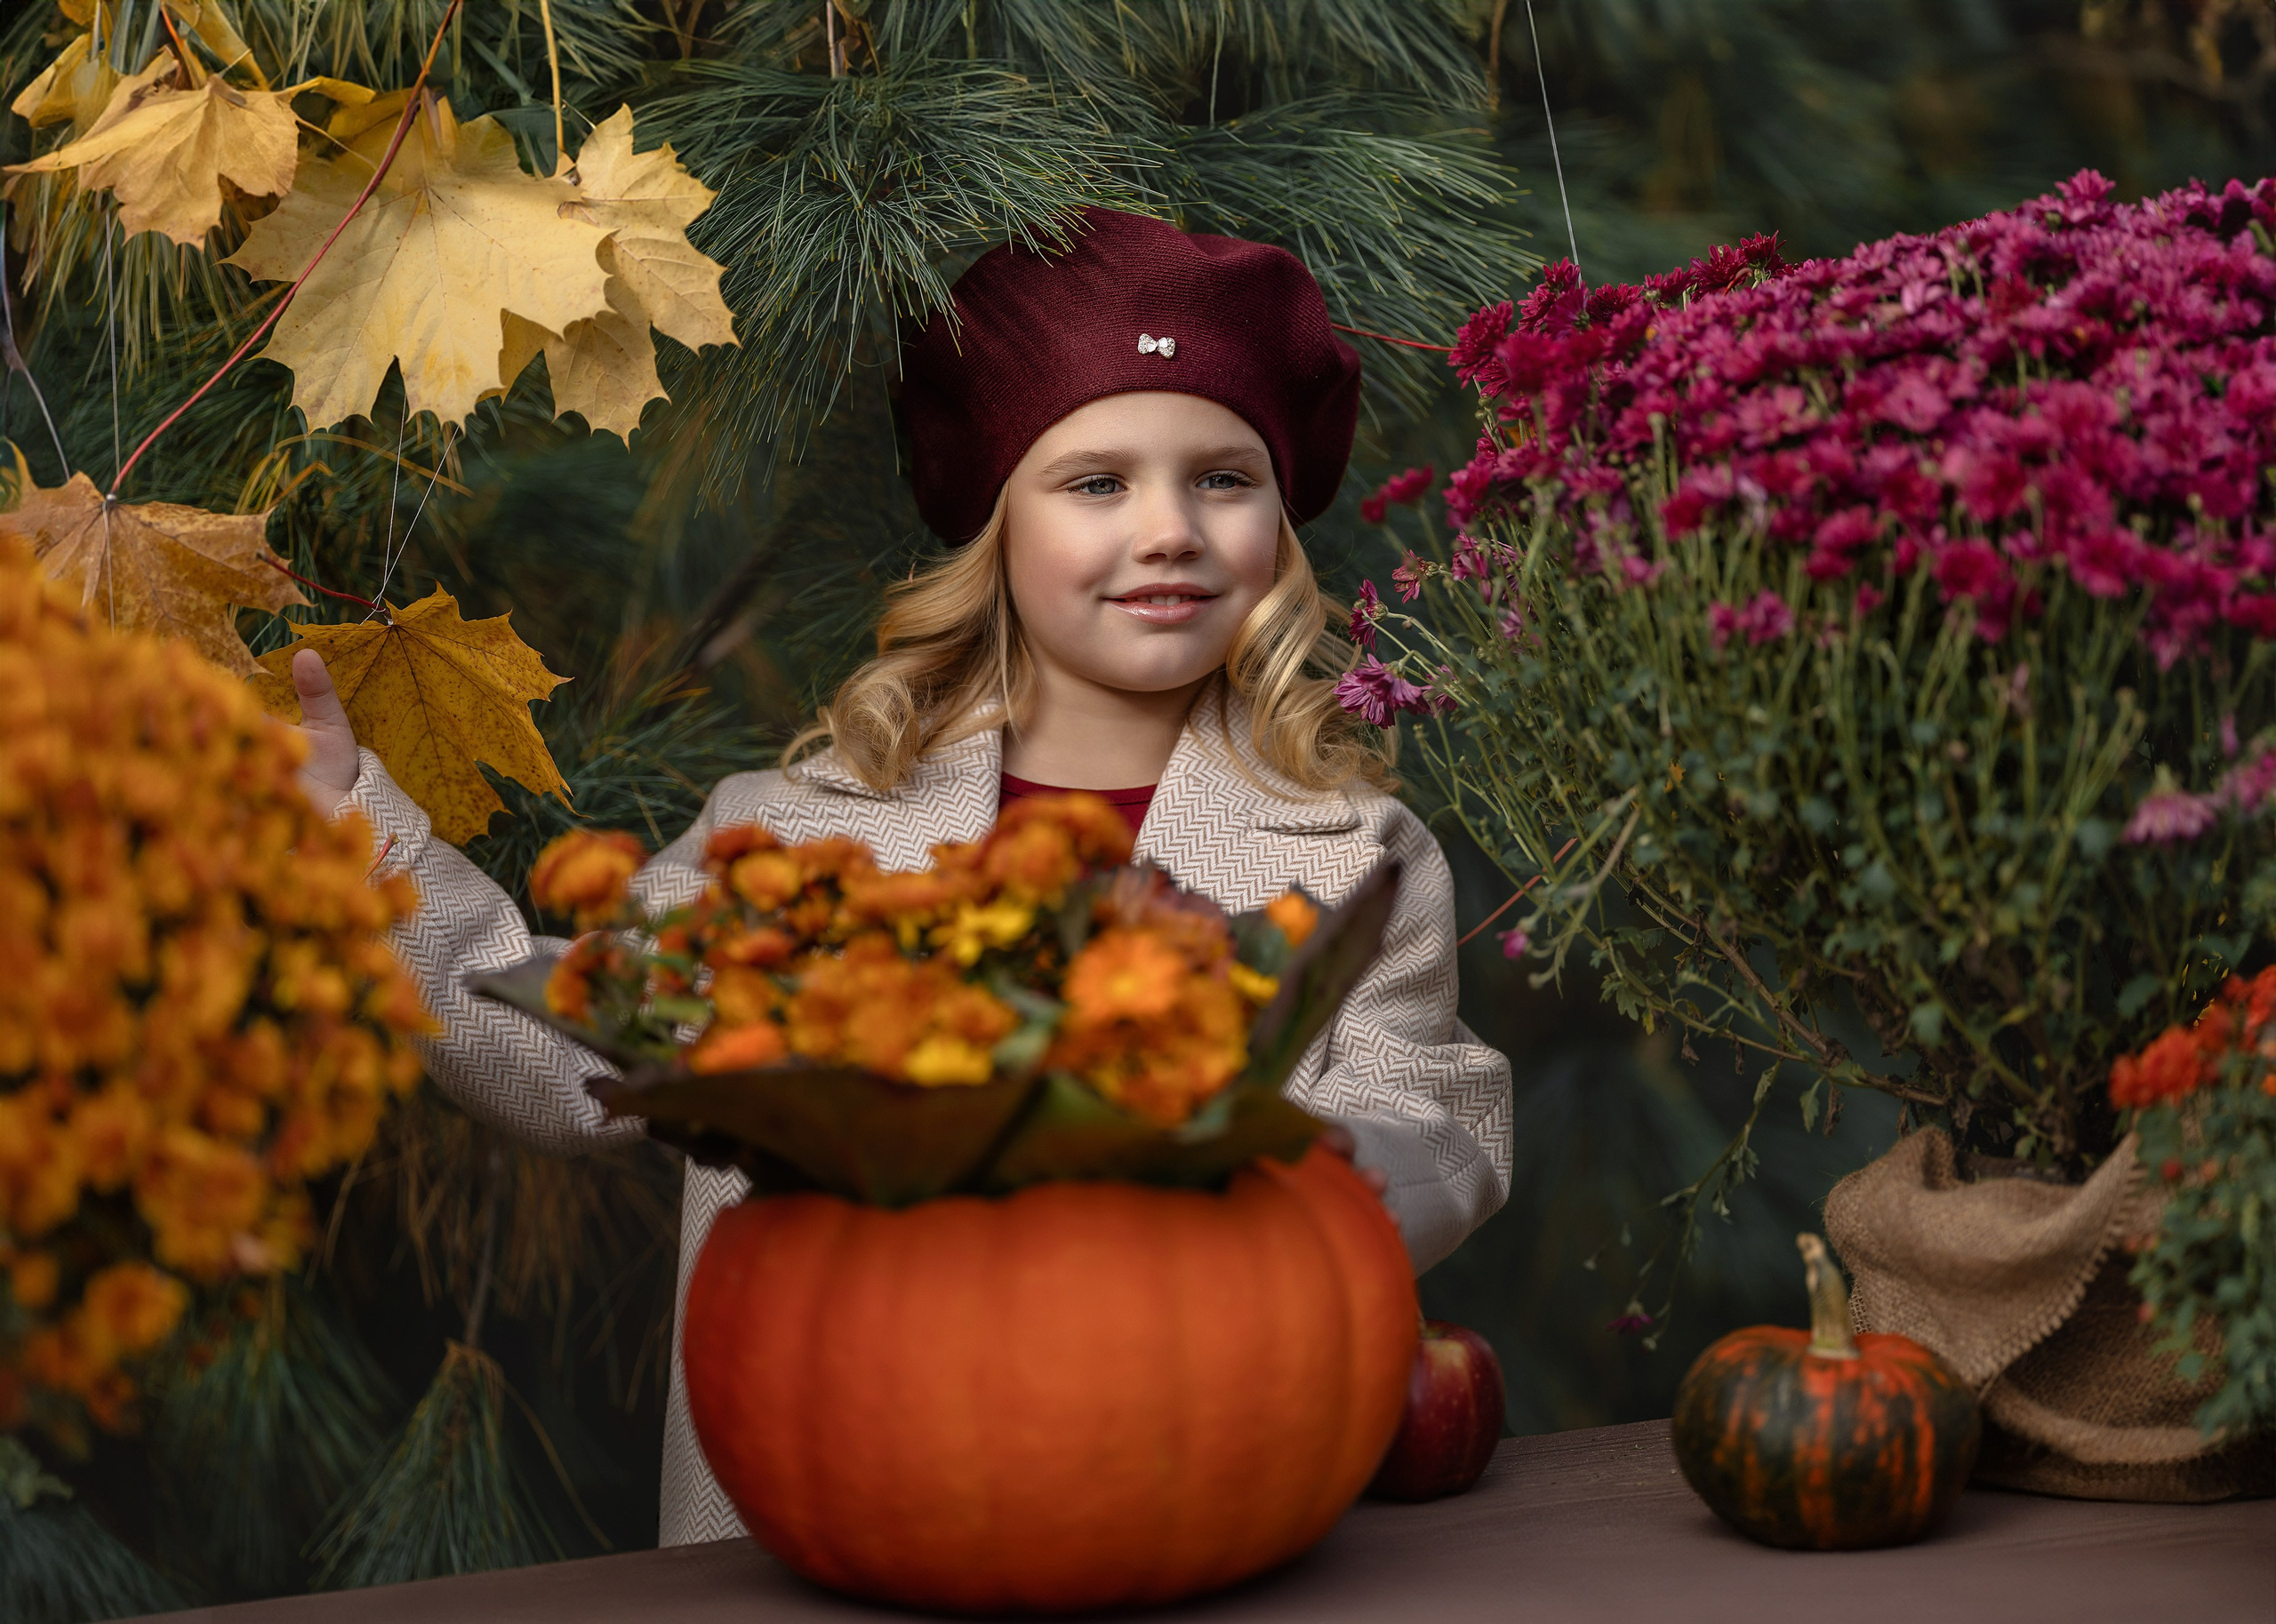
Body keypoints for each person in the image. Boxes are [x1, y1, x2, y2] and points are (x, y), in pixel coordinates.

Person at [289, 209, 1512, 1547]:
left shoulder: (1351, 859)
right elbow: (575, 1051)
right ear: (995, 526)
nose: (1169, 529)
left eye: (1223, 478)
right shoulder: (803, 846)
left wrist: (1320, 1163)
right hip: (830, 1497)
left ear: (1282, 523)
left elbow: (1434, 1115)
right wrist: (359, 839)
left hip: (1181, 1486)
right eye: (1097, 483)